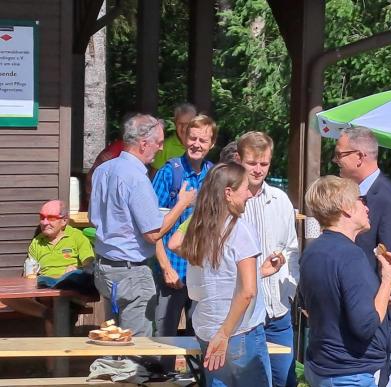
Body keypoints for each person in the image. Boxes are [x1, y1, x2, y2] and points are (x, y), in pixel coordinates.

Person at [89, 113, 195, 337]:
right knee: (135, 345)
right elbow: (153, 234)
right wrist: (182, 204)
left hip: (105, 268)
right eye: (158, 143)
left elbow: (94, 217)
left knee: (114, 337)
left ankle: (116, 370)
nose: (160, 148)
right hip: (130, 272)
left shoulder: (102, 170)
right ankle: (131, 373)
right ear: (143, 143)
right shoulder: (136, 177)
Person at [181, 162, 284, 386]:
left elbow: (212, 282)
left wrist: (261, 272)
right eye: (245, 188)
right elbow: (247, 292)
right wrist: (224, 334)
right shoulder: (240, 229)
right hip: (238, 332)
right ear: (228, 193)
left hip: (207, 329)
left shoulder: (198, 229)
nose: (249, 194)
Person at [299, 175, 391, 387]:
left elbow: (306, 307)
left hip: (324, 367)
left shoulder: (312, 252)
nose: (366, 207)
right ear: (346, 208)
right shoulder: (350, 256)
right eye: (360, 200)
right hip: (348, 373)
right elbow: (366, 325)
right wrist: (387, 279)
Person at [333, 126, 391, 386]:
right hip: (350, 314)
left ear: (359, 156)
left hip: (374, 317)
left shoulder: (389, 199)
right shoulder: (351, 194)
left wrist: (377, 310)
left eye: (339, 155)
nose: (335, 162)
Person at [152, 114, 216, 372]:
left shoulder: (214, 175)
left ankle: (196, 376)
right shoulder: (169, 172)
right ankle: (160, 376)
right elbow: (153, 228)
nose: (197, 144)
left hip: (201, 269)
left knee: (200, 330)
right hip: (173, 269)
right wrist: (166, 267)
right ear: (184, 139)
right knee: (164, 332)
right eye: (193, 138)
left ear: (212, 144)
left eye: (203, 140)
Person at [235, 131, 300, 387]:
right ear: (239, 160)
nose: (258, 169)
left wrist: (289, 291)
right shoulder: (229, 200)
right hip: (244, 312)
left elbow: (292, 249)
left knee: (284, 379)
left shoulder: (280, 200)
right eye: (252, 163)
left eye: (264, 164)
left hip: (277, 309)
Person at [1, 200, 94, 336]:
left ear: (64, 221)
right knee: (6, 297)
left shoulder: (77, 237)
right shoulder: (37, 242)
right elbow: (30, 271)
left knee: (58, 308)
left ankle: (51, 321)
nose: (44, 222)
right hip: (44, 293)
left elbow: (90, 263)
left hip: (68, 291)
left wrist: (77, 269)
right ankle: (48, 314)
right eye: (42, 217)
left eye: (51, 218)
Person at [150, 103, 197, 178]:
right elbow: (154, 179)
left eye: (187, 124)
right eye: (180, 124)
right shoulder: (164, 147)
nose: (184, 129)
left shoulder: (200, 145)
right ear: (175, 123)